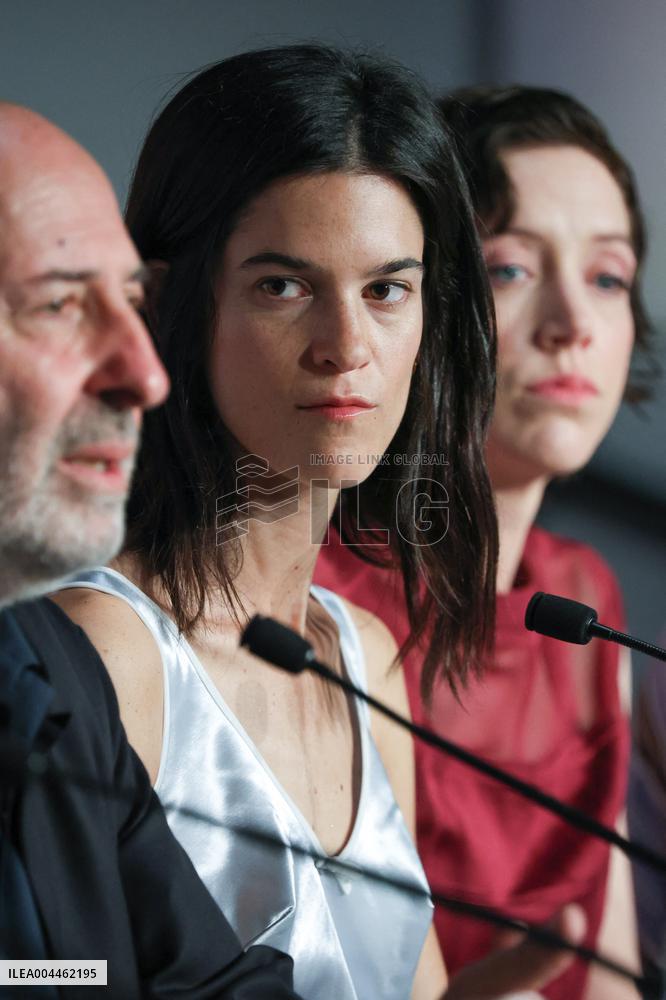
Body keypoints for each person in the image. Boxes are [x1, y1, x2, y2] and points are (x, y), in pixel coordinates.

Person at [51, 48, 584, 1000]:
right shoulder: (109, 653)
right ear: (174, 306)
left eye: (387, 290)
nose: (347, 349)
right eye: (282, 287)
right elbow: (39, 971)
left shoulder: (365, 657)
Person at [315, 85, 649, 1000]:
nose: (573, 325)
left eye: (610, 278)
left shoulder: (587, 598)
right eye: (510, 269)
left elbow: (610, 966)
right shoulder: (315, 607)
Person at [0, 101, 300, 998]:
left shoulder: (41, 663)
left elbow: (196, 985)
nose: (146, 373)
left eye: (132, 302)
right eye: (59, 305)